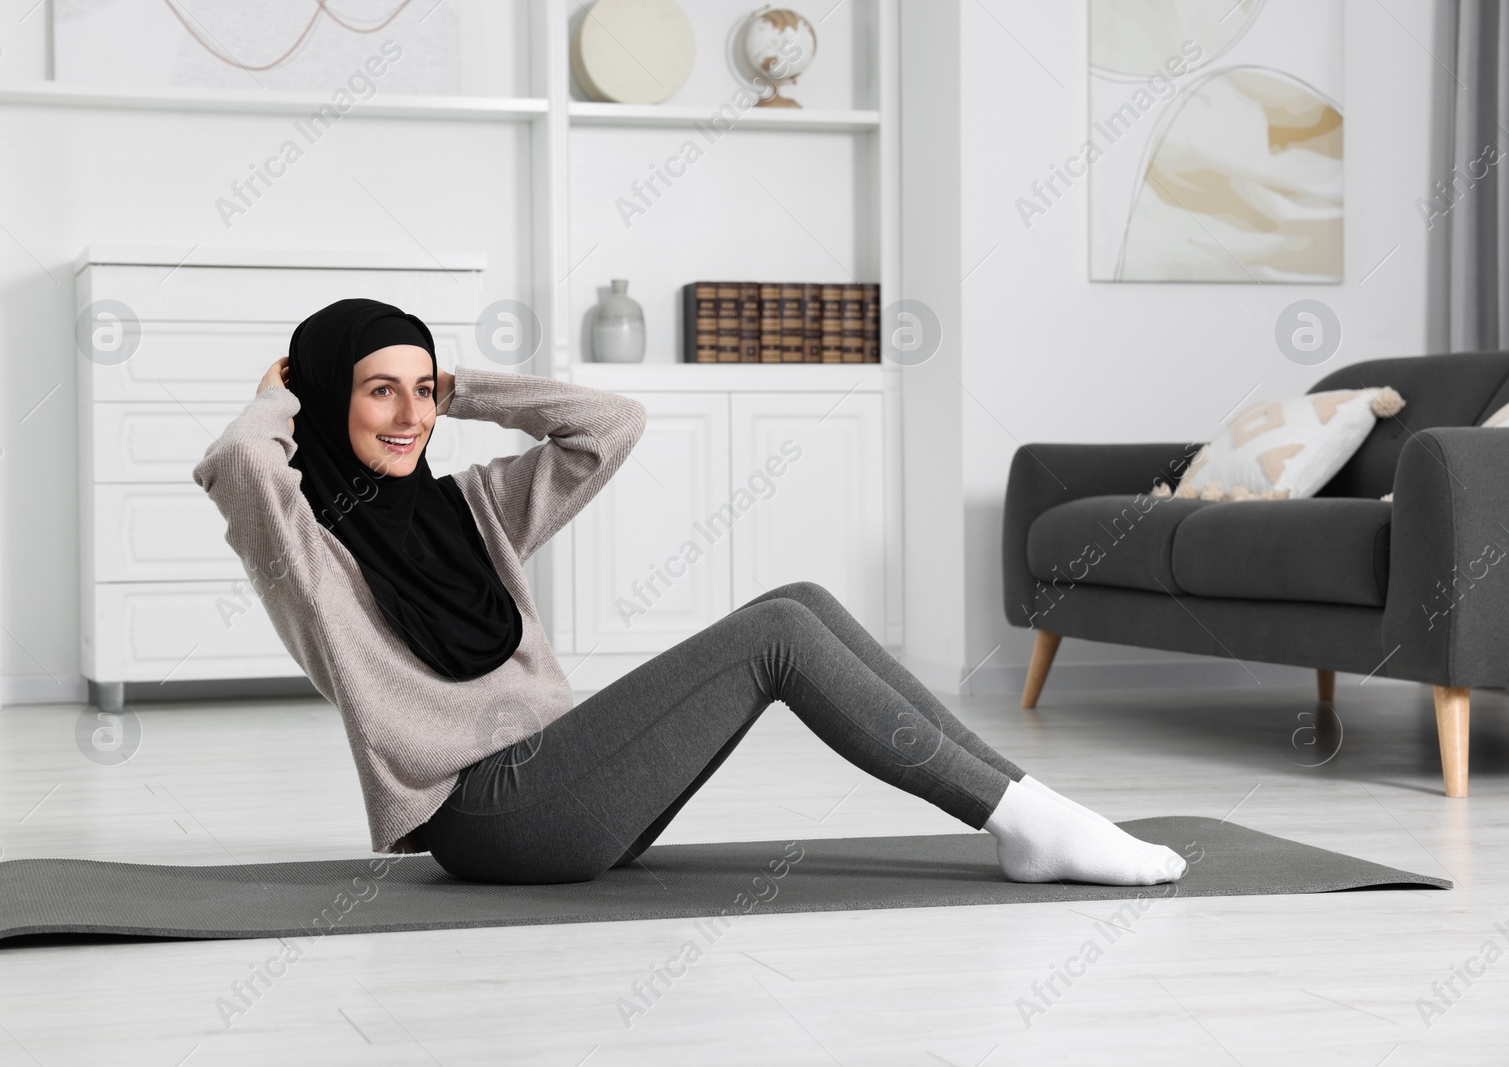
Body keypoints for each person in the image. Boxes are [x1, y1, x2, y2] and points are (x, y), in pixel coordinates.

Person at [194, 297, 1187, 887]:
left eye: (422, 390)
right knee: (777, 636)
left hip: (563, 785)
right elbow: (239, 455)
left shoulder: (474, 506)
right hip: (486, 817)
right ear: (325, 394)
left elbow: (609, 423)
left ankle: (1024, 805)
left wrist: (461, 387)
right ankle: (1021, 819)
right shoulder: (303, 549)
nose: (410, 413)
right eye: (379, 389)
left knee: (794, 598)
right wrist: (281, 386)